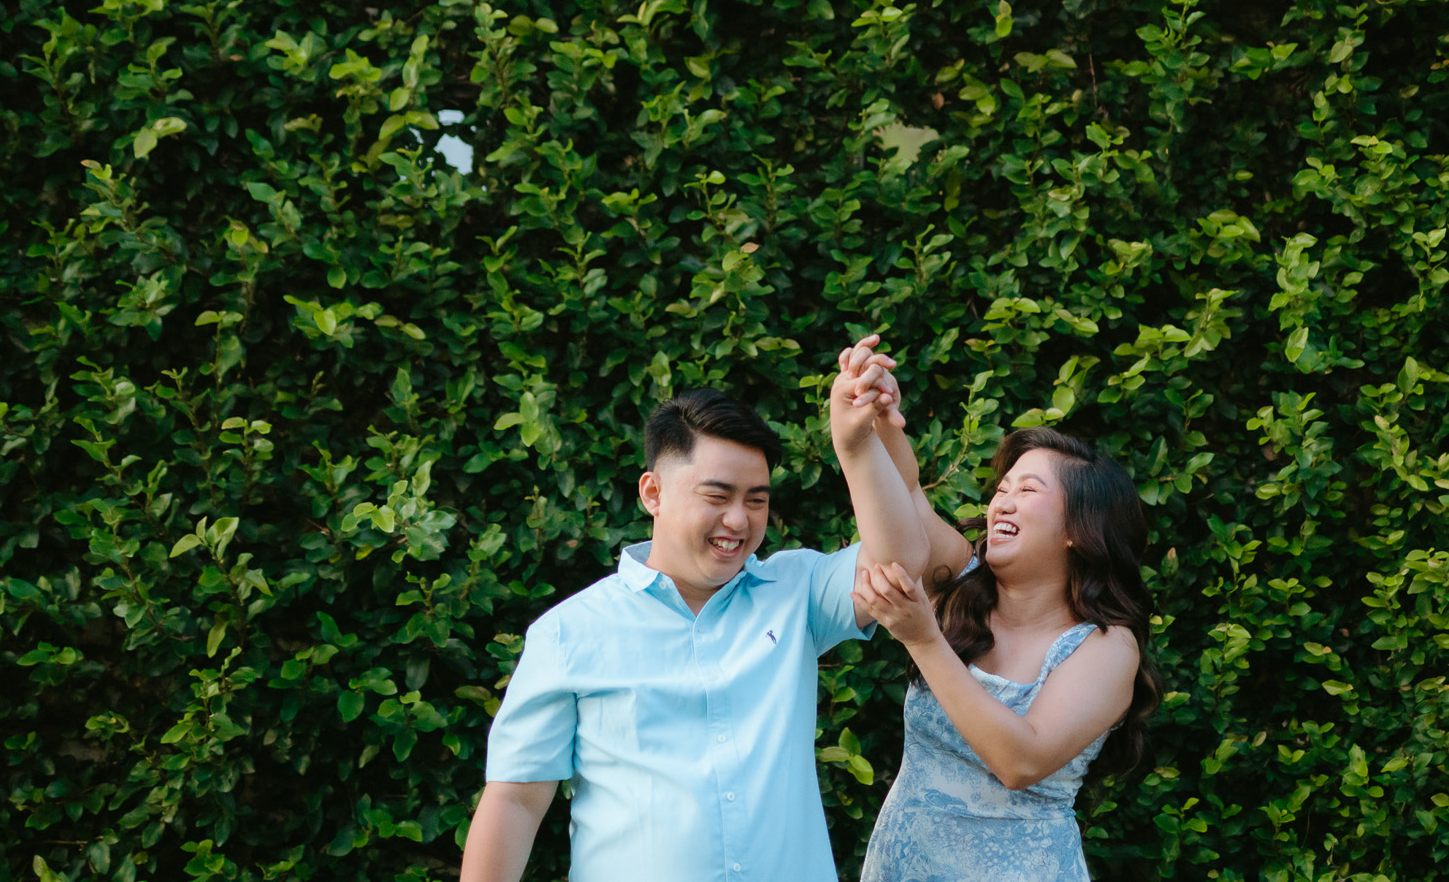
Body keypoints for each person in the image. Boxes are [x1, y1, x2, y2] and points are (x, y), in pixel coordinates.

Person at [456, 356, 929, 882]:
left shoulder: (797, 593)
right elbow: (515, 802)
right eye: (717, 495)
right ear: (653, 493)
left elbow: (902, 564)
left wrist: (856, 445)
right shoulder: (569, 634)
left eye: (756, 501)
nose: (738, 520)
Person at [842, 346, 1163, 882]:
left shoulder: (1106, 647)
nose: (1001, 503)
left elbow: (1021, 761)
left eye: (1027, 490)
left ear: (1078, 530)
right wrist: (879, 419)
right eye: (1002, 488)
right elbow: (908, 496)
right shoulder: (963, 585)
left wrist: (924, 640)